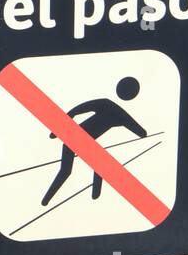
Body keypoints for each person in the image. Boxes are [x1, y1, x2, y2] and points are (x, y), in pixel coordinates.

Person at [41, 76, 147, 206]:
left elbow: (76, 110)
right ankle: (47, 200)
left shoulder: (111, 107)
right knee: (70, 170)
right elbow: (139, 130)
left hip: (80, 140)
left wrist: (57, 131)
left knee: (71, 170)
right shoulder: (112, 108)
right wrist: (56, 132)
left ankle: (92, 194)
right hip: (77, 138)